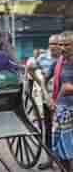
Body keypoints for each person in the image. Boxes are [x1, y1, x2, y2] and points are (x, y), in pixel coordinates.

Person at [26, 34, 61, 170]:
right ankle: (50, 160)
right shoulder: (43, 57)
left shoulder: (66, 59)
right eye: (51, 44)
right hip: (48, 98)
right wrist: (40, 83)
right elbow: (30, 69)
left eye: (56, 44)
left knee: (65, 129)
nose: (53, 46)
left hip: (64, 98)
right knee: (48, 129)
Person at [50, 31, 73, 171]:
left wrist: (66, 89)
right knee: (62, 150)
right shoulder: (59, 62)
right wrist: (51, 99)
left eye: (67, 45)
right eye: (61, 45)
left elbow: (67, 87)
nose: (63, 48)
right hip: (62, 111)